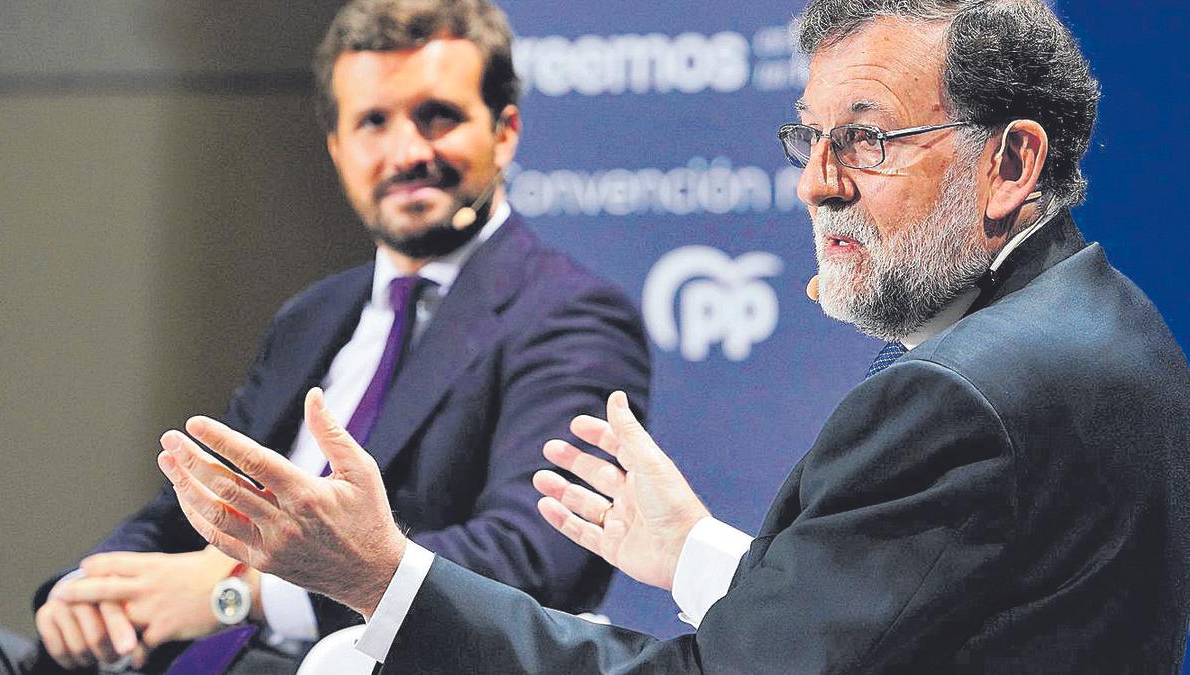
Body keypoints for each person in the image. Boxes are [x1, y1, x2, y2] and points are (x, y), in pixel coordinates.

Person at [132, 0, 1190, 671]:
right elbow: (894, 629)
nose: (819, 183)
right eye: (809, 138)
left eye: (865, 139)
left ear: (1011, 162)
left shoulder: (957, 396)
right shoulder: (1105, 321)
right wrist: (687, 552)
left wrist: (376, 576)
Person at [0, 0, 650, 672]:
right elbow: (189, 503)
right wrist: (89, 591)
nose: (406, 152)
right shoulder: (313, 315)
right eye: (373, 122)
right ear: (339, 148)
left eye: (439, 116)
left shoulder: (570, 314)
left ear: (505, 132)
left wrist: (245, 592)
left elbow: (534, 557)